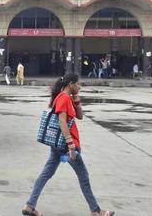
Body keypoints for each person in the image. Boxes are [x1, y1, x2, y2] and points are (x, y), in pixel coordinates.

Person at [21, 74, 115, 216]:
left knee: (46, 174)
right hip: (66, 145)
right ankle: (95, 211)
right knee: (83, 176)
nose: (80, 86)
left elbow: (80, 116)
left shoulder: (65, 97)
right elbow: (62, 121)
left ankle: (30, 205)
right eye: (78, 84)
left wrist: (77, 101)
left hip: (58, 145)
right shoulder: (64, 98)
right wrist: (71, 145)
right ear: (71, 84)